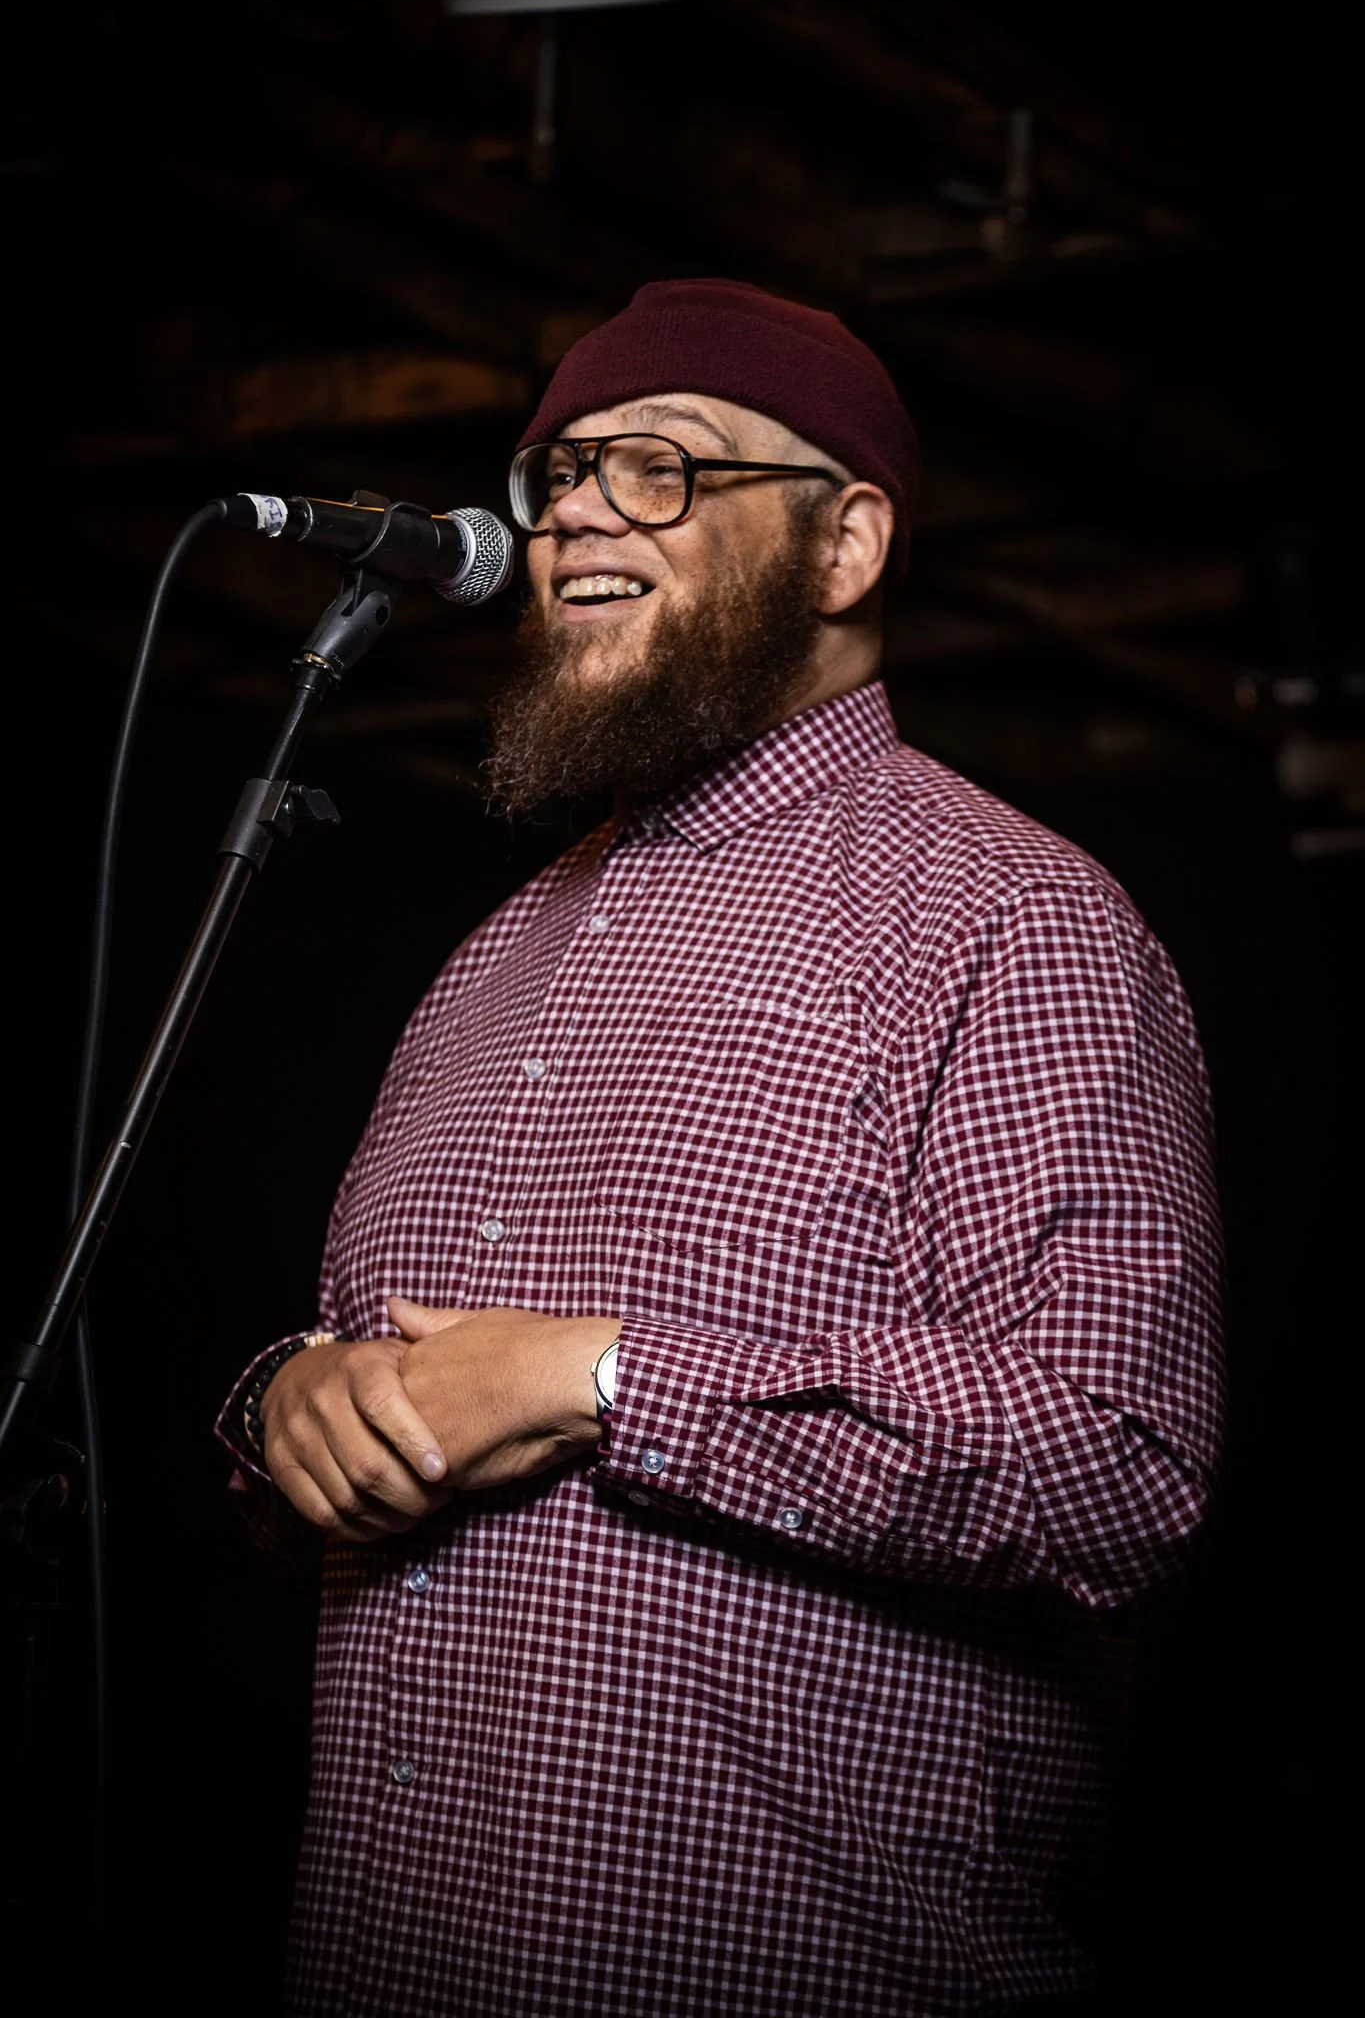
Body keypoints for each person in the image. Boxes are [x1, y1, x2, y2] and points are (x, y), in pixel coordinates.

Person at [218, 278, 1224, 2018]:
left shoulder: (1015, 920)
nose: (578, 514)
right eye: (559, 474)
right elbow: (380, 1396)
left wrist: (603, 1383)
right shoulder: (487, 959)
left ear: (845, 547)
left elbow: (1115, 1467)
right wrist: (282, 1409)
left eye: (662, 466)